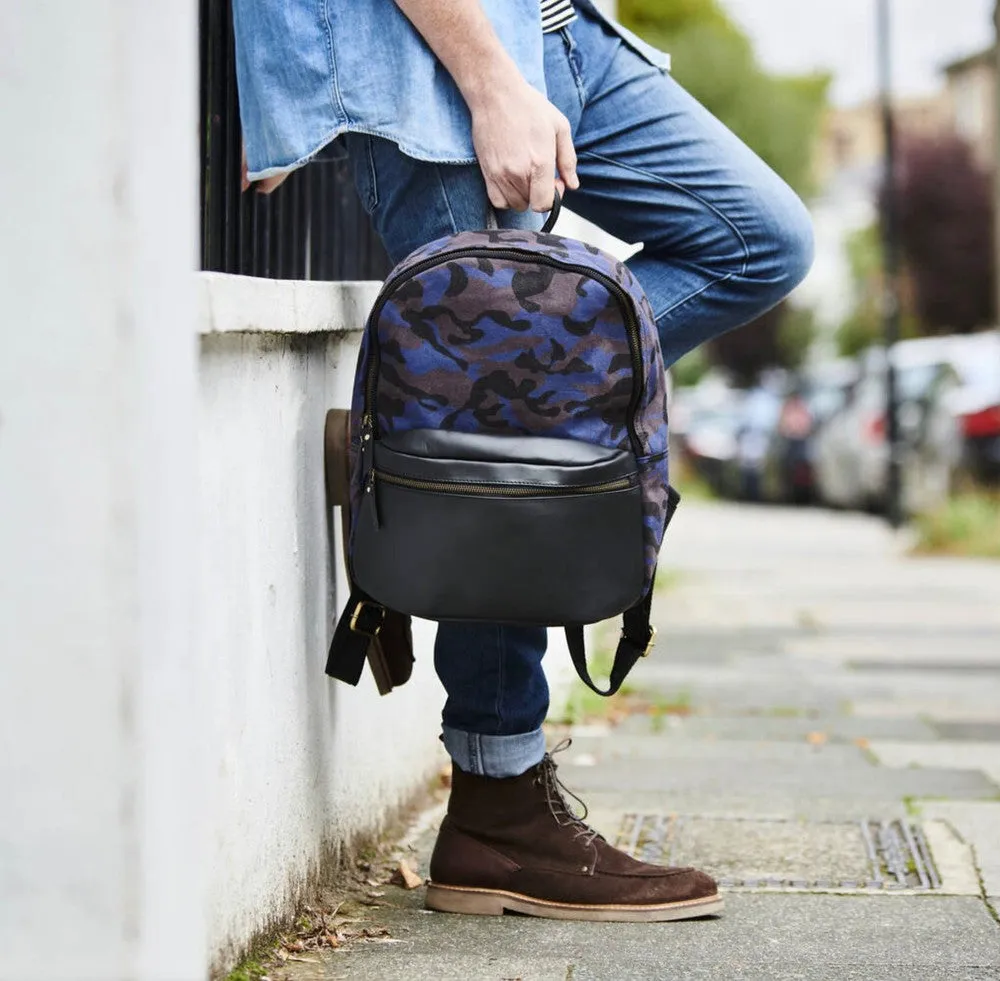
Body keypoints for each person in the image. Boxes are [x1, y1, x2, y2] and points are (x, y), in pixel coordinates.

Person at [234, 0, 813, 921]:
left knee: (758, 237)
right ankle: (497, 799)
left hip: (554, 27)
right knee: (499, 429)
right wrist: (491, 79)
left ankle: (440, 421)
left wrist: (555, 390)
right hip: (435, 51)